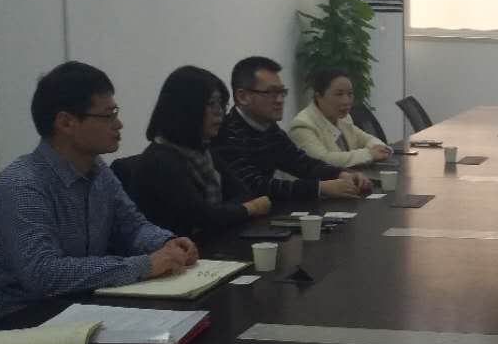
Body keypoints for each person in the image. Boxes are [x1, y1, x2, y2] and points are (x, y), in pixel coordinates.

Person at [0, 62, 197, 330]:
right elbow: (43, 274)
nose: (119, 124)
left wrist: (167, 243)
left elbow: (132, 227)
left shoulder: (98, 170)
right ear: (66, 122)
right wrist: (144, 265)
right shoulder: (22, 185)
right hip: (14, 326)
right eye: (108, 115)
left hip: (76, 311)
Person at [127, 66, 272, 237]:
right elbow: (204, 217)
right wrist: (250, 208)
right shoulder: (160, 160)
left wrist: (230, 212)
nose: (219, 112)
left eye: (221, 104)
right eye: (211, 104)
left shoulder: (202, 151)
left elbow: (243, 194)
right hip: (176, 249)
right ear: (185, 109)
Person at [212, 56, 371, 204]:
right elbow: (254, 186)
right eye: (271, 92)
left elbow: (301, 162)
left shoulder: (269, 128)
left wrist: (341, 174)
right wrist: (320, 188)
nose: (280, 100)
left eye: (282, 92)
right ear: (243, 97)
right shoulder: (226, 133)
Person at [288, 66, 391, 169]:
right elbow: (323, 160)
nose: (346, 101)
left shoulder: (343, 118)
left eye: (350, 94)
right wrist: (369, 154)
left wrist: (378, 147)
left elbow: (366, 139)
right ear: (319, 97)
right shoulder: (302, 126)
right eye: (339, 94)